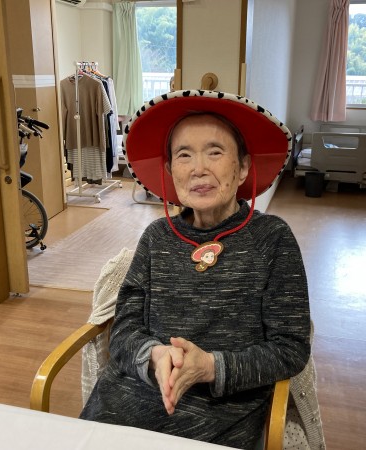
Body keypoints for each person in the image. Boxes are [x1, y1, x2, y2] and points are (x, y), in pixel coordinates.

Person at [80, 90, 311, 449]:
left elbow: (290, 348)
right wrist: (155, 356)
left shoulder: (272, 238)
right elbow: (123, 331)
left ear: (243, 167)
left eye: (215, 152)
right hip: (124, 404)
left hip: (220, 416)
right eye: (184, 155)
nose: (198, 168)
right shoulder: (157, 237)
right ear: (170, 170)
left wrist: (210, 366)